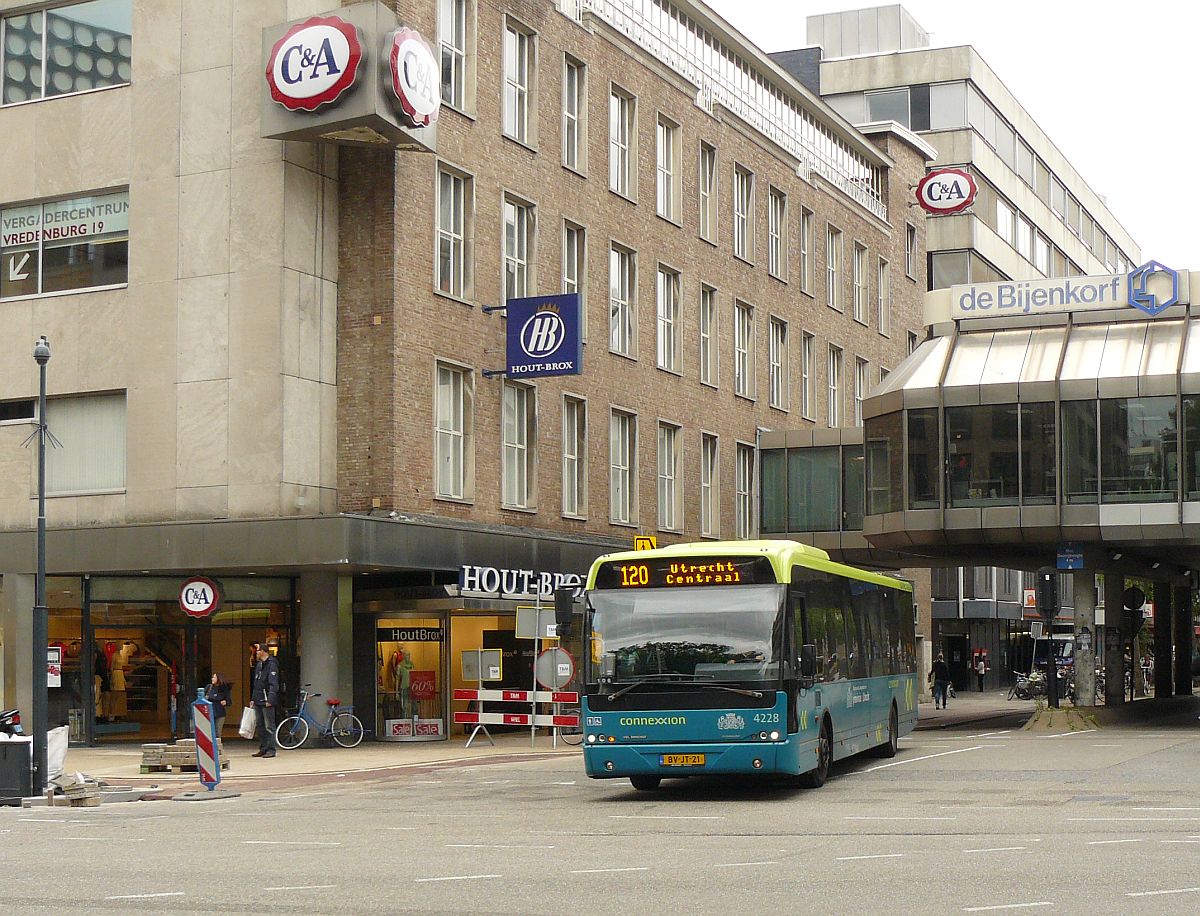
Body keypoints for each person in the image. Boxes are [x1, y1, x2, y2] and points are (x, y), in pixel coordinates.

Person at [250, 646, 279, 758]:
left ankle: (271, 749)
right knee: (260, 725)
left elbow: (273, 683)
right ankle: (263, 747)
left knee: (269, 725)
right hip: (258, 698)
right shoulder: (259, 665)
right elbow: (256, 684)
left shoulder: (272, 665)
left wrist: (271, 699)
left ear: (263, 652)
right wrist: (253, 698)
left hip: (266, 699)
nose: (256, 653)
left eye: (258, 651)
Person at [204, 672, 232, 736]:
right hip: (209, 712)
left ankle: (217, 745)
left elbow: (229, 702)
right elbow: (203, 698)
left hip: (220, 713)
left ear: (218, 678)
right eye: (212, 677)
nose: (212, 679)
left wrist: (225, 702)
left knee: (218, 733)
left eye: (214, 677)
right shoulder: (209, 687)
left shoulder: (224, 689)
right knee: (209, 732)